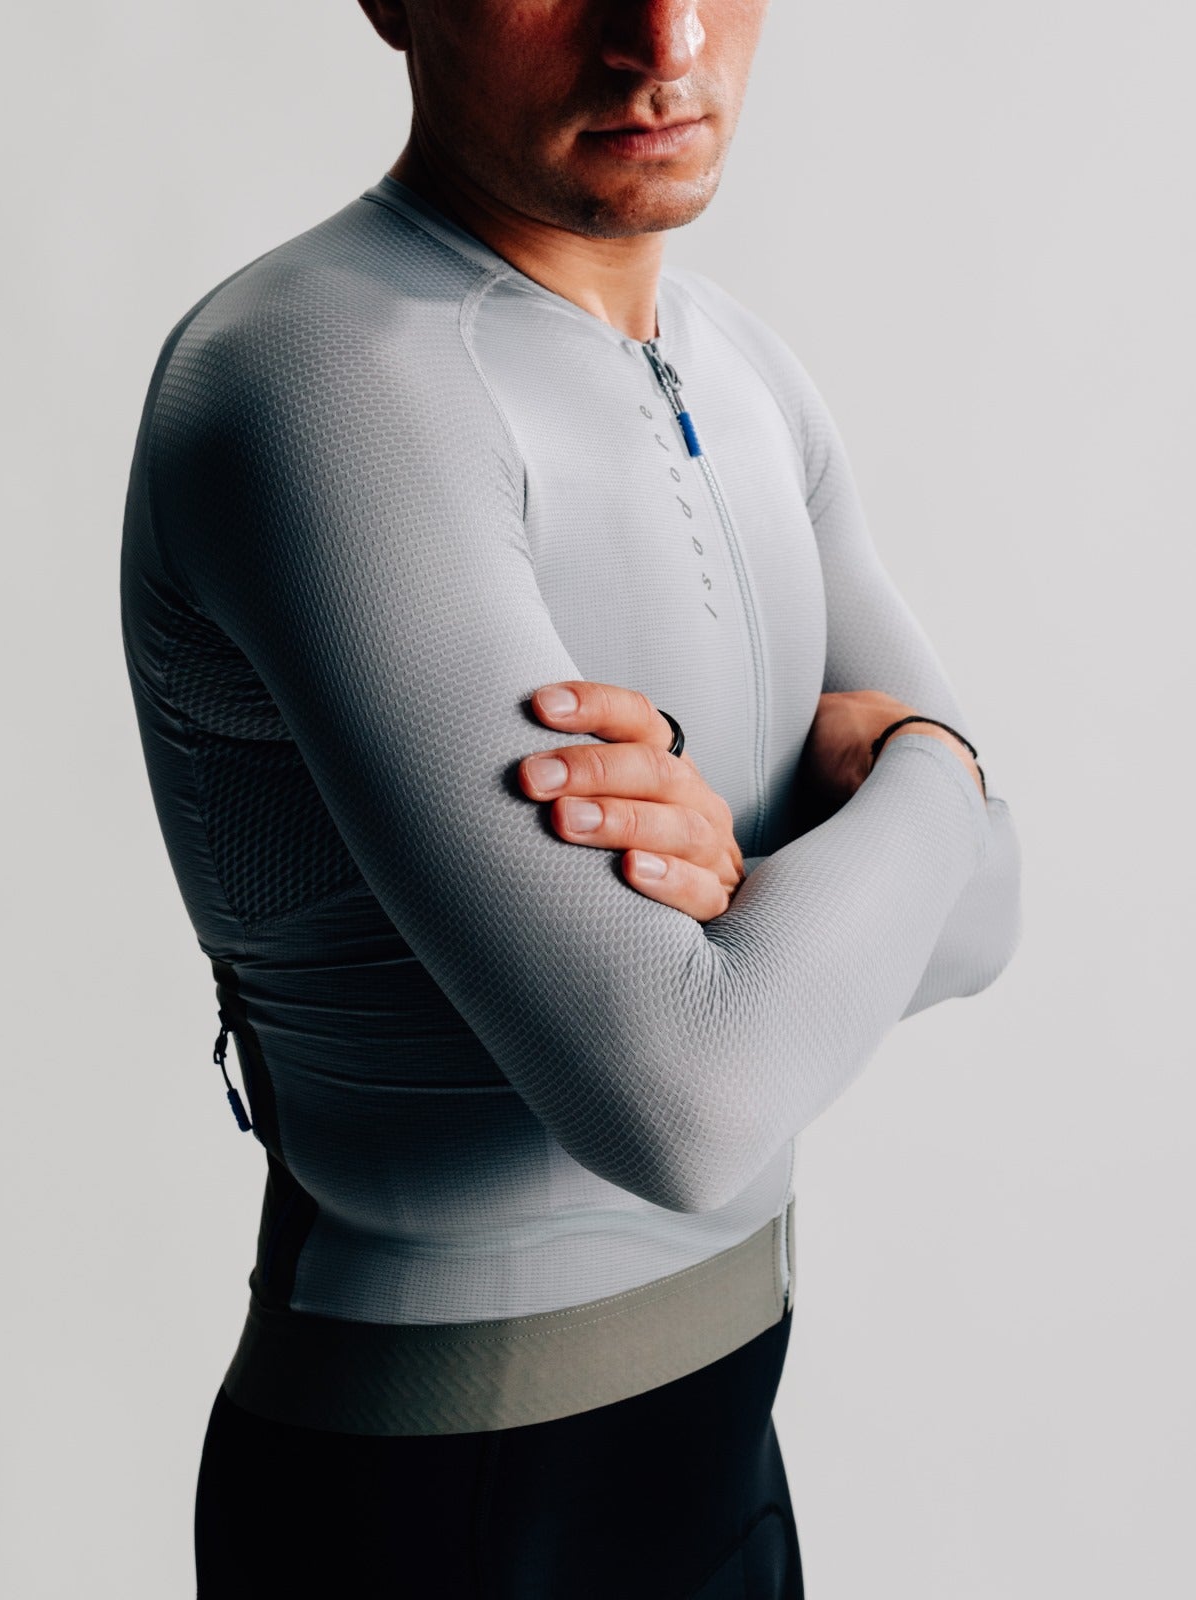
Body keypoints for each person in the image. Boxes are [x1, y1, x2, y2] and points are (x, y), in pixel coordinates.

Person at [119, 1, 1023, 1593]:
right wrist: (935, 772)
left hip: (728, 1448)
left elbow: (989, 918)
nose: (662, 36)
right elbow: (689, 1104)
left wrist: (791, 882)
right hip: (439, 1504)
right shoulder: (316, 378)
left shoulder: (745, 370)